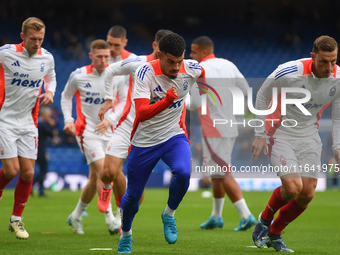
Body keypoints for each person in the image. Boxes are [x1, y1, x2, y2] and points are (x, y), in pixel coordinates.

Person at [115, 33, 206, 253]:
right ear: (159, 55)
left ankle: (169, 214)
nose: (176, 67)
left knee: (184, 172)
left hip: (174, 135)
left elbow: (202, 74)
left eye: (179, 61)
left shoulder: (191, 67)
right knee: (132, 197)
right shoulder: (145, 72)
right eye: (170, 61)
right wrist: (168, 100)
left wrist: (197, 96)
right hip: (145, 141)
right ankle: (126, 233)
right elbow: (143, 113)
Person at [251, 35, 340, 252]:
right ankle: (264, 219)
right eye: (324, 62)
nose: (329, 67)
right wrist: (260, 133)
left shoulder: (337, 79)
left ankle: (275, 233)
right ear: (313, 57)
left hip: (310, 136)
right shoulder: (288, 71)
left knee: (307, 193)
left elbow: (337, 116)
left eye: (334, 61)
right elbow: (262, 95)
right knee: (292, 188)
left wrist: (337, 147)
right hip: (280, 133)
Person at [96, 30, 173, 220]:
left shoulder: (175, 70)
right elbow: (110, 70)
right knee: (108, 172)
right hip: (126, 125)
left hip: (149, 134)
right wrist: (108, 99)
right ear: (155, 46)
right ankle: (106, 189)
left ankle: (124, 216)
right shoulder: (138, 62)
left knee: (137, 185)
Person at [189, 36, 256, 231]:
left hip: (212, 127)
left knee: (222, 172)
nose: (191, 56)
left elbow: (193, 104)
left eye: (193, 52)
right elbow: (244, 89)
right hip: (228, 124)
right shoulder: (228, 64)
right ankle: (216, 217)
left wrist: (178, 99)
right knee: (216, 173)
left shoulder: (199, 70)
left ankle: (246, 215)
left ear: (203, 51)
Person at [0, 17, 56, 239]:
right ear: (23, 36)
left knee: (28, 172)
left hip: (29, 122)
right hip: (5, 119)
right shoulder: (6, 52)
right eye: (33, 39)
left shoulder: (47, 58)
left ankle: (16, 220)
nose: (37, 43)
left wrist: (50, 92)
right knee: (12, 171)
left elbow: (51, 79)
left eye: (40, 39)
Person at [61, 39, 122, 235]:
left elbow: (122, 103)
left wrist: (110, 120)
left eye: (107, 57)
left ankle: (76, 216)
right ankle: (111, 219)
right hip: (87, 131)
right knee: (106, 171)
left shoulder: (116, 76)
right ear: (91, 56)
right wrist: (68, 119)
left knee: (95, 177)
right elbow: (65, 96)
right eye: (99, 57)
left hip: (110, 131)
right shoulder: (79, 75)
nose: (104, 60)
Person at [105, 26, 137, 225]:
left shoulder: (133, 61)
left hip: (131, 123)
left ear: (125, 43)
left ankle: (120, 213)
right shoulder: (103, 59)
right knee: (109, 171)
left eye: (116, 45)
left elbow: (130, 98)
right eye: (109, 44)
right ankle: (114, 211)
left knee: (131, 179)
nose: (111, 48)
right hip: (110, 123)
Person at [32, 106, 56, 197]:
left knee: (40, 170)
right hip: (41, 150)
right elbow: (50, 134)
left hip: (35, 149)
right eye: (48, 115)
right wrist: (52, 125)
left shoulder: (36, 122)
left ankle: (34, 189)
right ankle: (38, 190)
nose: (49, 117)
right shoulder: (42, 123)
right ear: (44, 114)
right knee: (43, 170)